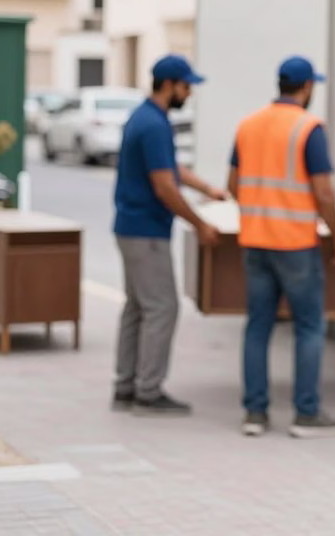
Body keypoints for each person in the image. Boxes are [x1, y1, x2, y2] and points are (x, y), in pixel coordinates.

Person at [228, 55, 335, 438]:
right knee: (310, 327)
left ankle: (255, 414)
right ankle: (306, 413)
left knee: (258, 327)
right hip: (296, 244)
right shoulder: (308, 128)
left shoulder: (248, 125)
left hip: (256, 241)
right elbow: (323, 192)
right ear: (307, 87)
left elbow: (233, 184)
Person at [112, 54, 223, 416]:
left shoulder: (146, 117)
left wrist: (206, 187)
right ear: (170, 85)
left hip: (131, 228)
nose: (189, 93)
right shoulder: (155, 125)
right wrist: (200, 223)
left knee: (137, 309)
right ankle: (148, 393)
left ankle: (125, 388)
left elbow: (170, 168)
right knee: (162, 307)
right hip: (146, 232)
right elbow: (164, 186)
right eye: (186, 86)